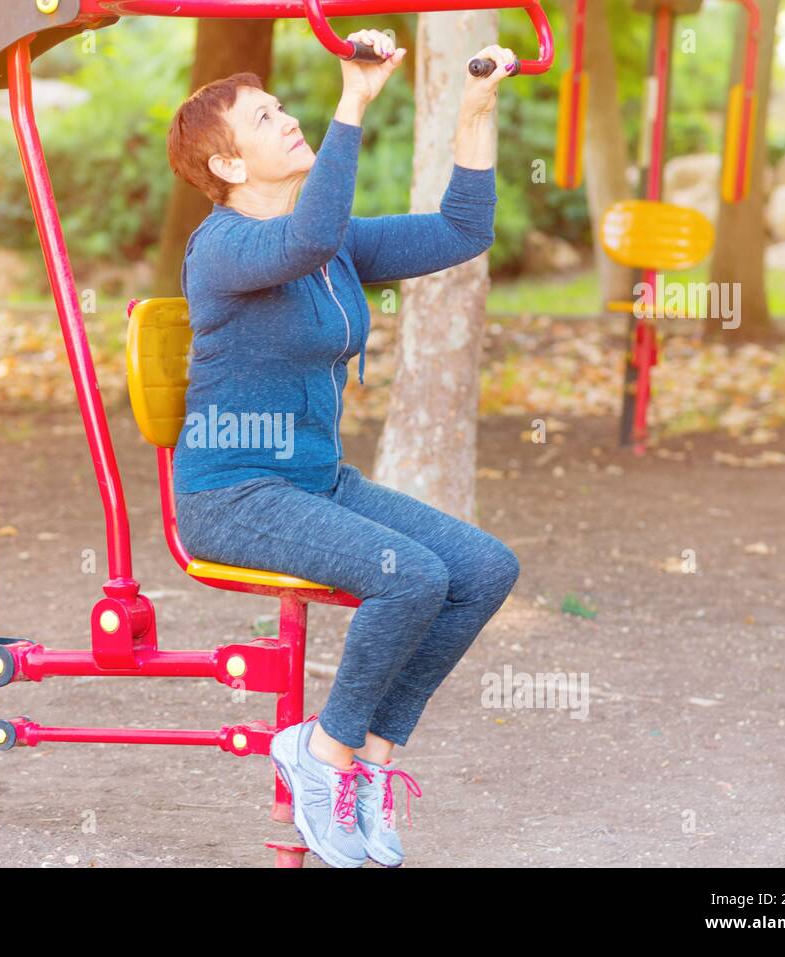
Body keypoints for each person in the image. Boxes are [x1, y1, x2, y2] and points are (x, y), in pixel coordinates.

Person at [164, 29, 521, 868]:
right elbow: (309, 238)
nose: (287, 119)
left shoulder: (333, 246)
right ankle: (321, 753)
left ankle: (371, 756)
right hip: (231, 497)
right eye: (266, 117)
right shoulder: (224, 248)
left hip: (315, 483)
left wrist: (476, 109)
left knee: (482, 569)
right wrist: (353, 99)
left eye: (283, 107)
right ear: (227, 167)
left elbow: (462, 229)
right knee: (412, 575)